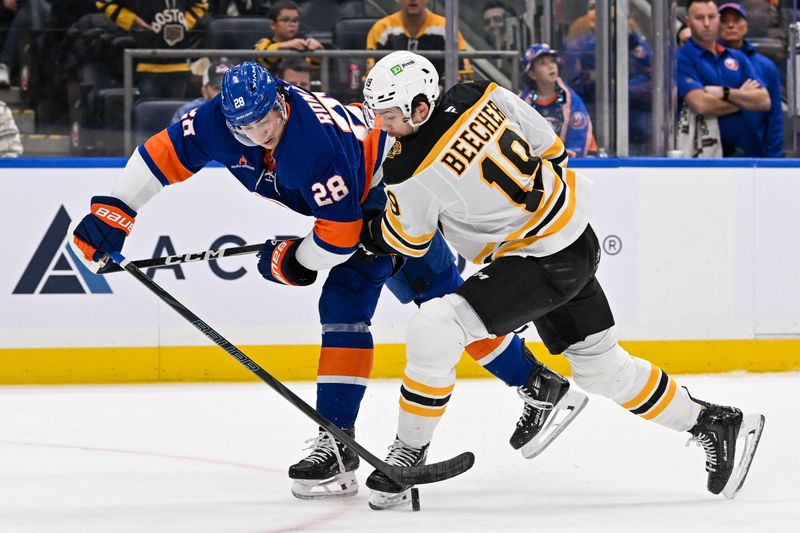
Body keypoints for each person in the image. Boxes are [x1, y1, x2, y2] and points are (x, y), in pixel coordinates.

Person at [66, 60, 571, 502]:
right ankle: (536, 382)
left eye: (265, 120)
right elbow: (160, 154)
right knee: (443, 306)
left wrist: (294, 262)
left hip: (387, 195)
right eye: (244, 127)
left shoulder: (314, 146)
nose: (258, 133)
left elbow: (340, 237)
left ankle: (336, 441)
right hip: (366, 199)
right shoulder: (220, 121)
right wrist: (117, 210)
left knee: (348, 304)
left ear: (281, 101)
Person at [360, 50, 765, 509]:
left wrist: (366, 232)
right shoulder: (478, 93)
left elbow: (408, 242)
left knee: (435, 326)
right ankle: (713, 423)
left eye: (390, 115)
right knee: (603, 368)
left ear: (420, 105)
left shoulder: (407, 167)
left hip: (537, 262)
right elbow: (550, 145)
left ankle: (410, 453)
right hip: (574, 240)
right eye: (378, 115)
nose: (383, 125)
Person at [678, 0, 770, 157]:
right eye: (700, 18)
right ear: (688, 21)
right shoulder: (681, 58)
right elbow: (701, 105)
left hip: (735, 153)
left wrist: (726, 92)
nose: (707, 23)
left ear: (718, 18)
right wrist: (743, 99)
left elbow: (764, 101)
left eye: (711, 17)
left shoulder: (737, 57)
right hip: (695, 154)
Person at [98, 0, 209, 98]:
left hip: (179, 66)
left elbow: (202, 2)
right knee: (150, 115)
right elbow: (103, 2)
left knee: (174, 115)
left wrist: (186, 22)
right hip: (149, 66)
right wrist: (133, 21)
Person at [717, 2, 783, 158]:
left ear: (746, 25)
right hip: (715, 154)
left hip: (756, 156)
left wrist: (775, 158)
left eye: (736, 20)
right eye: (724, 21)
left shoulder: (765, 66)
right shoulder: (708, 61)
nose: (731, 25)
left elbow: (774, 116)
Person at [519, 43, 596, 158]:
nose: (551, 66)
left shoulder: (571, 100)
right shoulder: (522, 103)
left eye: (552, 61)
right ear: (532, 74)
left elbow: (579, 134)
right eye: (543, 63)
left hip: (580, 159)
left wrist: (566, 155)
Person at [365, 0, 473, 81]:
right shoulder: (383, 28)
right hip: (394, 98)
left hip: (439, 98)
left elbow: (464, 73)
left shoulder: (445, 28)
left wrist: (441, 87)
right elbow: (372, 74)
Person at [254, 0, 323, 71]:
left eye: (295, 20)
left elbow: (314, 66)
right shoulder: (265, 42)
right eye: (285, 20)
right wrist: (285, 45)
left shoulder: (303, 44)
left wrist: (318, 49)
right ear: (273, 25)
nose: (292, 24)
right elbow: (261, 59)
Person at [171, 60, 229, 124]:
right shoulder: (187, 113)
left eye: (229, 87)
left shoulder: (242, 112)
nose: (223, 93)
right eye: (217, 88)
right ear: (204, 91)